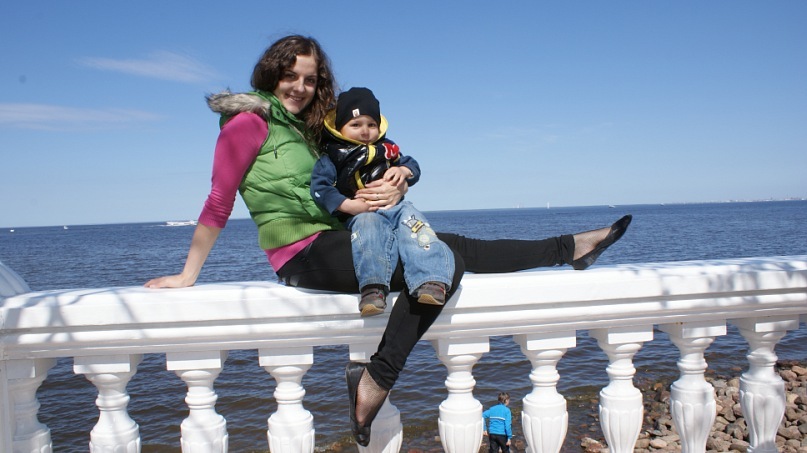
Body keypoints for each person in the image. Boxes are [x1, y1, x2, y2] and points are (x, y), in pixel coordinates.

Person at [143, 35, 632, 447]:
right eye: (290, 76)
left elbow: (363, 169)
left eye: (310, 79)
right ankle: (378, 376)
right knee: (445, 260)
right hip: (303, 254)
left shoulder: (311, 131)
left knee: (453, 245)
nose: (300, 87)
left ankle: (571, 248)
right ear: (271, 74)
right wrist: (188, 274)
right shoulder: (248, 123)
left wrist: (398, 180)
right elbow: (219, 199)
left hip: (349, 236)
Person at [311, 87, 454, 317]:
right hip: (362, 212)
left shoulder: (387, 148)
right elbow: (320, 188)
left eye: (371, 124)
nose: (365, 131)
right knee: (368, 234)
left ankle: (431, 280)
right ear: (340, 127)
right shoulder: (332, 156)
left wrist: (404, 171)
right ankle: (373, 289)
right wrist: (348, 206)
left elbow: (411, 164)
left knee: (416, 226)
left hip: (396, 207)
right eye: (355, 125)